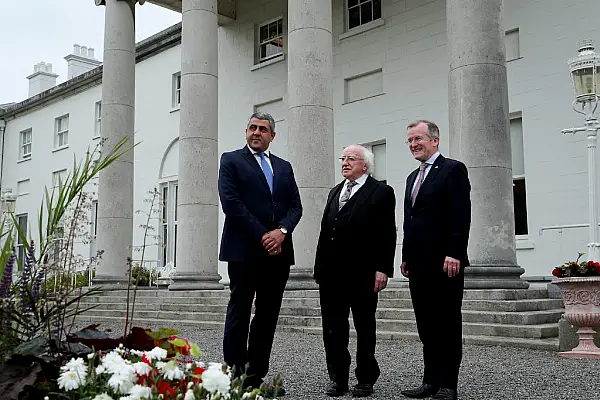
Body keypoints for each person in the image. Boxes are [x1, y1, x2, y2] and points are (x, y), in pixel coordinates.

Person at [218, 112, 303, 394]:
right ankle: (235, 375)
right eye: (252, 127)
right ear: (246, 131)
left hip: (278, 254)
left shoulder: (284, 167)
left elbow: (295, 207)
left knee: (267, 316)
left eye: (263, 129)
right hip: (243, 251)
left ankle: (255, 379)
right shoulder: (231, 160)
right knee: (240, 312)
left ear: (272, 136)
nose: (257, 132)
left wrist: (281, 232)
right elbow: (231, 203)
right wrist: (262, 235)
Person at [313, 144, 397, 398]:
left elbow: (387, 234)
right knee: (333, 328)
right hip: (331, 274)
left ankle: (366, 378)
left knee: (364, 326)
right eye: (343, 158)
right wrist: (319, 268)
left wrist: (383, 269)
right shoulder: (335, 192)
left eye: (352, 159)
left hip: (363, 273)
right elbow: (325, 232)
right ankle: (338, 378)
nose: (345, 163)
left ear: (366, 165)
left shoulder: (381, 192)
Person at [400, 120, 471, 400]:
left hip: (445, 263)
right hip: (418, 263)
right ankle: (429, 381)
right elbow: (410, 220)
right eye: (409, 140)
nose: (413, 144)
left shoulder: (452, 170)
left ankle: (447, 384)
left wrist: (454, 252)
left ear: (435, 140)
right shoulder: (411, 177)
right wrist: (405, 255)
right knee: (426, 324)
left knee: (447, 323)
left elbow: (460, 214)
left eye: (418, 138)